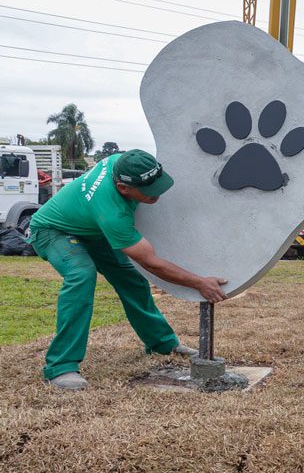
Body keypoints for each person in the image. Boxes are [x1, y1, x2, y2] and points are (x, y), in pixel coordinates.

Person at [28, 150, 229, 391]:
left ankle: (162, 343)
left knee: (132, 278)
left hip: (92, 229)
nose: (157, 194)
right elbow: (151, 263)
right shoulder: (112, 213)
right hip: (53, 230)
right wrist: (199, 282)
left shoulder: (125, 163)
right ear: (123, 188)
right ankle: (61, 366)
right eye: (150, 191)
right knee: (81, 275)